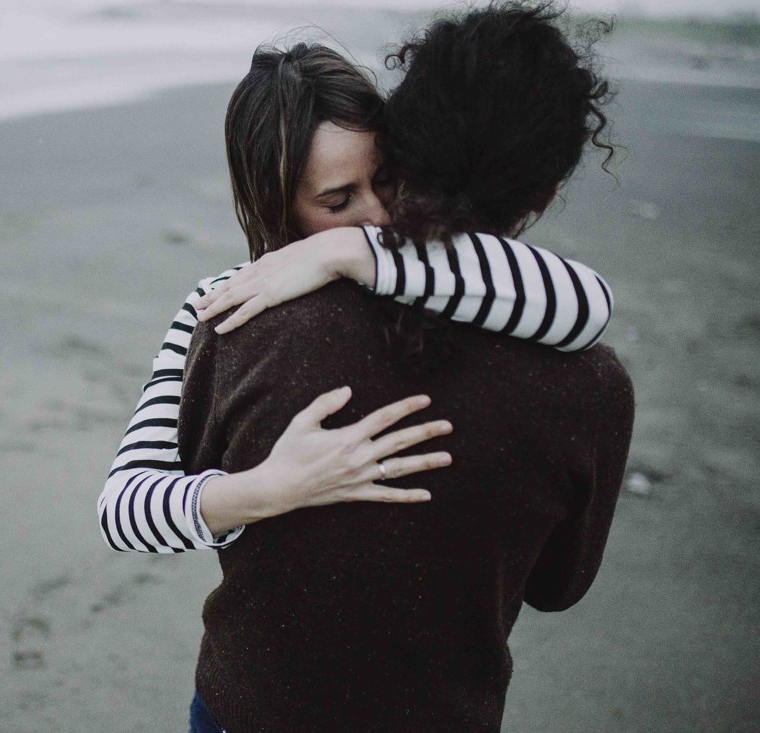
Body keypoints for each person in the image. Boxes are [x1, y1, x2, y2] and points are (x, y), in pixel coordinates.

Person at [178, 2, 634, 731]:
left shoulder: (246, 317)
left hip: (249, 707)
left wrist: (339, 250)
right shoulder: (592, 384)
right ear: (546, 191)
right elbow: (556, 586)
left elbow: (183, 473)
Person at [97, 41, 614, 555]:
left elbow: (586, 304)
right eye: (338, 201)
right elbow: (121, 509)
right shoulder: (224, 299)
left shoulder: (450, 268)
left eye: (387, 180)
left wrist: (346, 250)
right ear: (275, 203)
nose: (378, 217)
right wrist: (269, 489)